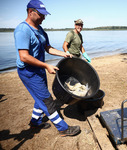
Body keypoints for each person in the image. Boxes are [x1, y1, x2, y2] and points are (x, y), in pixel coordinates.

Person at [14, 0, 80, 137]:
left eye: (45, 15)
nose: (44, 18)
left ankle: (34, 122)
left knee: (40, 97)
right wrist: (46, 65)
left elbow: (47, 47)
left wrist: (65, 53)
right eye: (41, 15)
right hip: (28, 72)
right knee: (47, 100)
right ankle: (63, 128)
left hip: (38, 70)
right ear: (30, 12)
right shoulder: (22, 30)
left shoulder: (40, 28)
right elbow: (24, 57)